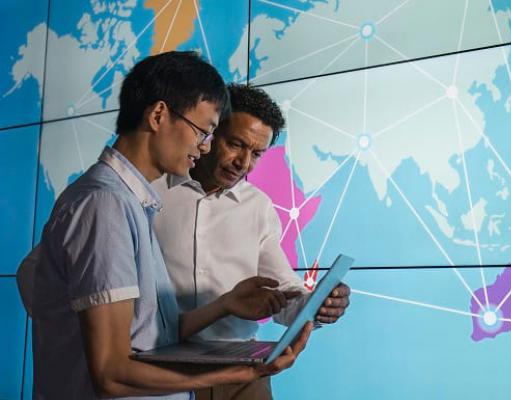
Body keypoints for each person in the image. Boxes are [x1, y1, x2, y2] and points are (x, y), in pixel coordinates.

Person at [31, 51, 311, 399]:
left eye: (256, 154)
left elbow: (151, 332)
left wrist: (226, 305)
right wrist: (236, 371)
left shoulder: (133, 202)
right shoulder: (106, 203)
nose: (204, 146)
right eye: (204, 131)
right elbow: (111, 371)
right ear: (159, 114)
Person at [152, 83, 351, 400]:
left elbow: (283, 290)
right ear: (210, 132)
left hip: (243, 376)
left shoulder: (258, 206)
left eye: (257, 153)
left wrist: (315, 306)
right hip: (161, 372)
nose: (243, 163)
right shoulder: (152, 192)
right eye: (236, 144)